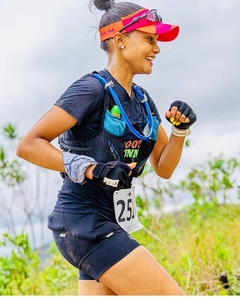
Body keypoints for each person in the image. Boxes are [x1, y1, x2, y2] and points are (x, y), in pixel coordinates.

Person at [17, 0, 197, 295]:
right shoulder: (92, 89)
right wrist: (91, 169)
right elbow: (28, 145)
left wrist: (179, 131)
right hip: (83, 222)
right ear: (120, 40)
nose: (158, 48)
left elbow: (163, 168)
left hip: (108, 221)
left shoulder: (142, 100)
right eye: (149, 39)